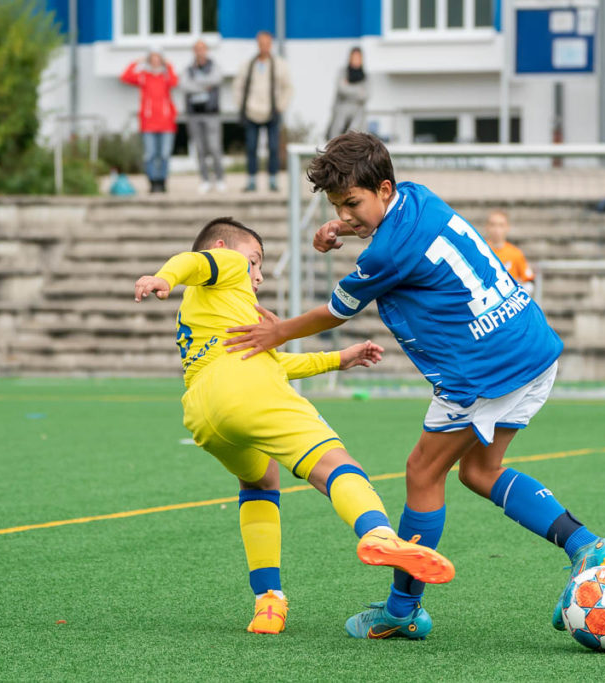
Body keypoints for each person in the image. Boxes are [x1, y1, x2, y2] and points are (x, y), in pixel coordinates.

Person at [225, 133, 605, 640]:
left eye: (352, 204)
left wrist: (276, 332)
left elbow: (337, 312)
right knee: (479, 471)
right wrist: (344, 225)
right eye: (338, 206)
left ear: (383, 188)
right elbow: (381, 230)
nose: (347, 214)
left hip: (485, 368)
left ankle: (403, 609)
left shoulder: (386, 253)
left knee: (422, 471)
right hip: (530, 345)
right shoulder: (416, 196)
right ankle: (585, 546)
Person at [133, 216, 455, 635]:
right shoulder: (225, 266)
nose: (259, 274)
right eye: (255, 261)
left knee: (261, 482)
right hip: (249, 392)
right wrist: (162, 277)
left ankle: (268, 602)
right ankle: (378, 532)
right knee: (333, 462)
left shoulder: (208, 309)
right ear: (224, 249)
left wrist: (338, 359)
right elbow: (191, 262)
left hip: (203, 413)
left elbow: (276, 363)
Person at [234, 31, 292, 193]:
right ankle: (251, 181)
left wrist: (280, 106)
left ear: (271, 44)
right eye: (261, 43)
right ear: (257, 44)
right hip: (252, 112)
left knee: (273, 148)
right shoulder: (248, 65)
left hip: (272, 112)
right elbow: (238, 86)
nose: (264, 47)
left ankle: (273, 181)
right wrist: (243, 106)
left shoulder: (280, 64)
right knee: (251, 147)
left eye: (267, 43)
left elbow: (288, 88)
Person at [121, 47, 179, 193]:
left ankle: (162, 180)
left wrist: (169, 65)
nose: (155, 62)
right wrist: (136, 62)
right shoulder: (144, 76)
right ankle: (153, 182)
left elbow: (175, 81)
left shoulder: (165, 76)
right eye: (152, 59)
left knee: (164, 154)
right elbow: (125, 76)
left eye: (158, 58)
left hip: (166, 123)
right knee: (150, 154)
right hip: (148, 123)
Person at [182, 39, 225, 194]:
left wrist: (197, 84)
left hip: (211, 113)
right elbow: (185, 86)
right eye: (197, 49)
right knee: (199, 149)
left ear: (206, 50)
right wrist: (204, 86)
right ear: (194, 51)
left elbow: (216, 80)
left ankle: (219, 179)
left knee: (214, 148)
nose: (200, 52)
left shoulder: (214, 66)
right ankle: (205, 180)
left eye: (202, 49)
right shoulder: (188, 69)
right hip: (194, 114)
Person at [483, 210, 534, 294]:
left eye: (501, 225)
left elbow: (529, 281)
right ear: (487, 227)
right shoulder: (480, 250)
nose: (497, 229)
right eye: (493, 225)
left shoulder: (515, 253)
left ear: (507, 227)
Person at [326, 47, 368, 140]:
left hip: (358, 114)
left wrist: (348, 87)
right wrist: (358, 90)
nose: (356, 60)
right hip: (341, 113)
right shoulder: (343, 72)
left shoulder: (366, 76)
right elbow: (342, 89)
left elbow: (366, 95)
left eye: (358, 58)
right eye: (354, 57)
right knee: (337, 136)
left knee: (354, 136)